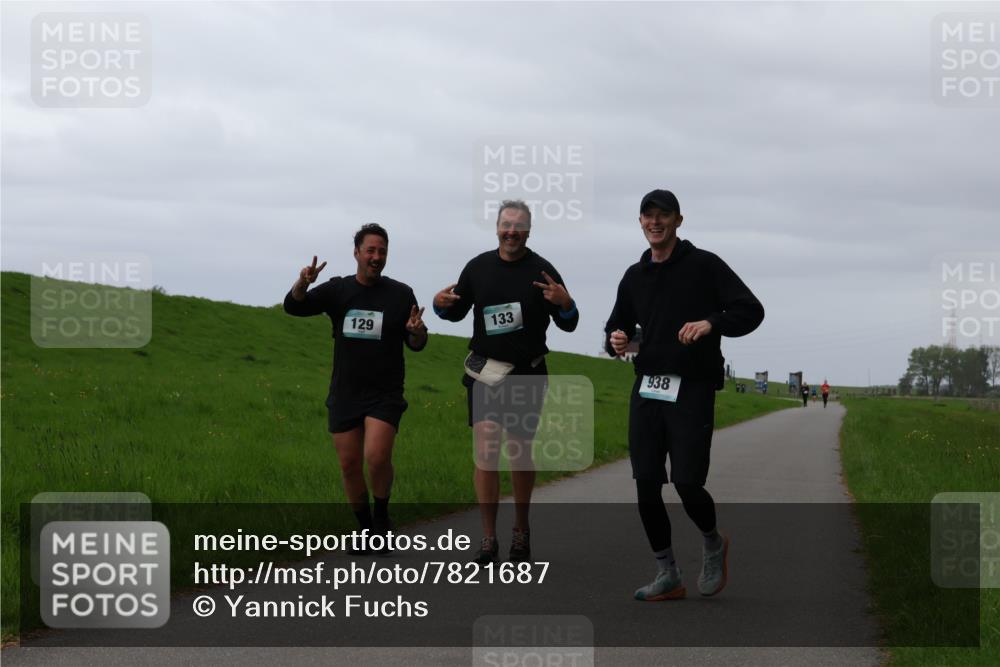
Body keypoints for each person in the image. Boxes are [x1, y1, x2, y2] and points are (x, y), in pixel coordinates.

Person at [605, 189, 763, 601]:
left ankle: (713, 542)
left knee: (688, 483)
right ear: (640, 222)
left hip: (692, 386)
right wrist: (616, 340)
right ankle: (667, 574)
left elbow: (750, 310)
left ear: (678, 220)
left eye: (663, 215)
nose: (654, 222)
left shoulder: (704, 265)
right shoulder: (633, 276)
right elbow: (616, 328)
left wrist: (712, 322)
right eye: (647, 216)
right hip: (648, 387)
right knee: (645, 484)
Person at [434, 200, 579, 565]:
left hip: (527, 371)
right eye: (506, 224)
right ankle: (487, 537)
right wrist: (438, 305)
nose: (511, 231)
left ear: (528, 231)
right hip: (486, 372)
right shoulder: (478, 267)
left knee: (518, 451)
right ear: (496, 228)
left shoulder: (542, 270)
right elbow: (453, 311)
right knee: (485, 450)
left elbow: (569, 322)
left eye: (518, 225)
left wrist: (566, 303)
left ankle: (520, 529)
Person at [284, 224, 427, 550]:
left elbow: (416, 341)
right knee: (349, 465)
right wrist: (302, 283)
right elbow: (294, 306)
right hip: (346, 392)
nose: (377, 257)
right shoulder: (339, 290)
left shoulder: (401, 294)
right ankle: (365, 531)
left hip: (385, 392)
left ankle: (381, 520)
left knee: (376, 457)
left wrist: (417, 331)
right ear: (357, 253)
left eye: (382, 251)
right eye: (371, 251)